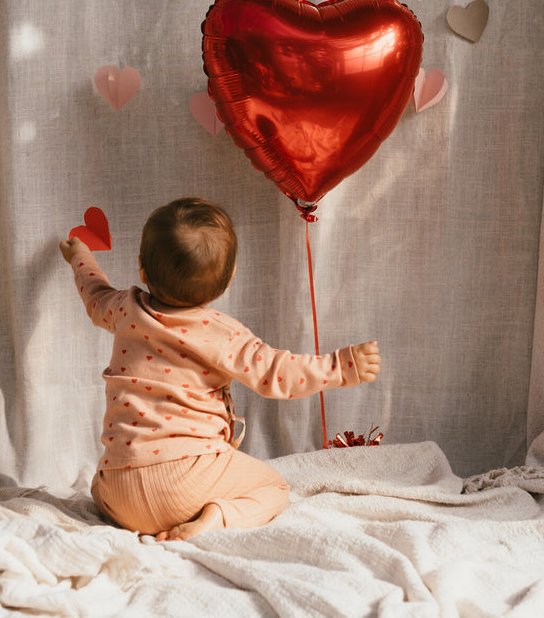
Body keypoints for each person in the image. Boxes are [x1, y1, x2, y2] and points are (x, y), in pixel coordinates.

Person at [60, 196, 381, 541]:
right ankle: (216, 517)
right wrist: (341, 366)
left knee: (101, 481)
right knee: (275, 487)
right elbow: (277, 373)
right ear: (228, 282)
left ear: (142, 269)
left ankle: (136, 508)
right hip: (184, 482)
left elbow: (95, 294)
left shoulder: (125, 309)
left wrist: (81, 256)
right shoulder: (222, 334)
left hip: (117, 493)